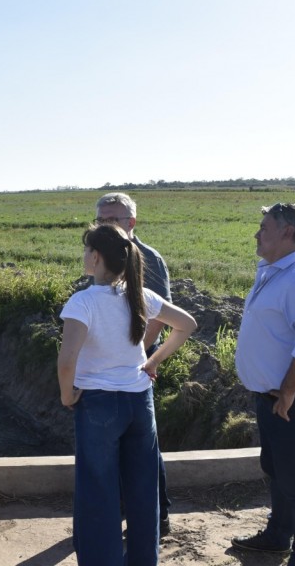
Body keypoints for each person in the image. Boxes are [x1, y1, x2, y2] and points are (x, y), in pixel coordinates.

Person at [58, 224, 197, 566]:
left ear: (95, 257)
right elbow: (187, 324)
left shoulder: (83, 302)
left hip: (98, 404)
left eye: (86, 249)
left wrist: (66, 394)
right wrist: (151, 361)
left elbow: (66, 360)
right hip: (139, 403)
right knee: (143, 490)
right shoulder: (142, 297)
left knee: (98, 492)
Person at [231, 203, 295, 566]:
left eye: (264, 228)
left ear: (287, 232)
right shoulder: (274, 271)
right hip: (275, 398)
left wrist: (288, 391)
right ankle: (277, 538)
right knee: (278, 472)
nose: (256, 234)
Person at [95, 191, 174, 534]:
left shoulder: (146, 259)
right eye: (101, 220)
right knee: (124, 444)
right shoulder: (103, 254)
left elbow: (160, 315)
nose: (106, 225)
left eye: (113, 219)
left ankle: (158, 516)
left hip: (134, 369)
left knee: (143, 447)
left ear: (132, 223)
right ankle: (129, 510)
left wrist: (137, 353)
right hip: (110, 369)